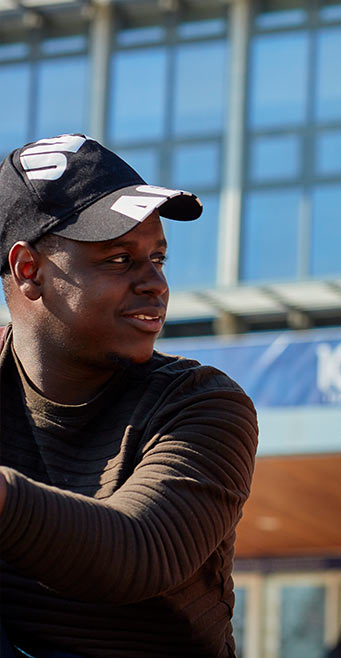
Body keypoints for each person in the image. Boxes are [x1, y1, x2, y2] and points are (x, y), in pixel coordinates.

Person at [0, 135, 258, 657]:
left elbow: (141, 551)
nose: (155, 284)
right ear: (30, 270)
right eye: (119, 259)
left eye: (157, 258)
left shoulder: (202, 403)